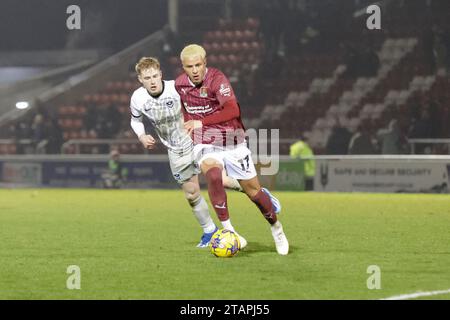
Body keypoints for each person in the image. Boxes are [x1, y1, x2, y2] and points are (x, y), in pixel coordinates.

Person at [176, 44, 288, 255]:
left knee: (253, 192)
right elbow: (181, 105)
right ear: (183, 67)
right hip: (205, 142)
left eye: (198, 65)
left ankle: (276, 228)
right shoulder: (179, 85)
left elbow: (233, 109)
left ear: (205, 62)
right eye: (190, 66)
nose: (195, 70)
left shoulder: (217, 79)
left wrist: (201, 122)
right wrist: (187, 123)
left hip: (232, 140)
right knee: (214, 175)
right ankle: (229, 231)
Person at [129, 57, 243, 248]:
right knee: (191, 194)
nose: (152, 81)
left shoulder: (176, 88)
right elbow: (135, 120)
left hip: (197, 140)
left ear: (161, 74)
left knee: (221, 180)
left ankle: (256, 193)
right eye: (147, 78)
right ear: (140, 79)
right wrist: (141, 136)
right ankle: (209, 231)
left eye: (155, 76)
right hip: (175, 149)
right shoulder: (137, 98)